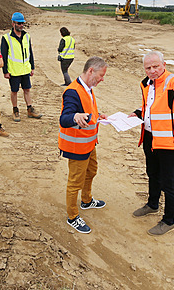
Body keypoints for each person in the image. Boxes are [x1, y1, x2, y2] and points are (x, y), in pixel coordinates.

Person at [130, 51, 174, 236]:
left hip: (168, 141)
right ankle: (152, 204)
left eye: (156, 67)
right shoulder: (145, 83)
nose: (152, 71)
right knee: (152, 173)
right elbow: (149, 107)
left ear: (164, 64)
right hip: (149, 137)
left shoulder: (171, 82)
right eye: (148, 68)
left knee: (169, 182)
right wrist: (137, 114)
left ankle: (168, 220)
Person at [59, 56, 108, 234]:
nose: (102, 79)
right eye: (101, 75)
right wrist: (74, 117)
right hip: (77, 146)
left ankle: (86, 201)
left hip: (89, 143)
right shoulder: (73, 91)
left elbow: (88, 110)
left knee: (91, 170)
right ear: (90, 71)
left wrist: (98, 115)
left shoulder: (88, 88)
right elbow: (64, 119)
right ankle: (72, 216)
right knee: (75, 182)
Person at [0, 12, 42, 122]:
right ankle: (15, 110)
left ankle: (30, 109)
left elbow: (30, 52)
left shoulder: (26, 36)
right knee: (14, 91)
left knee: (27, 89)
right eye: (19, 23)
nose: (21, 25)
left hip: (25, 70)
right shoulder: (6, 38)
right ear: (13, 23)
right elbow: (3, 56)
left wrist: (32, 67)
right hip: (14, 71)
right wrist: (5, 71)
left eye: (22, 23)